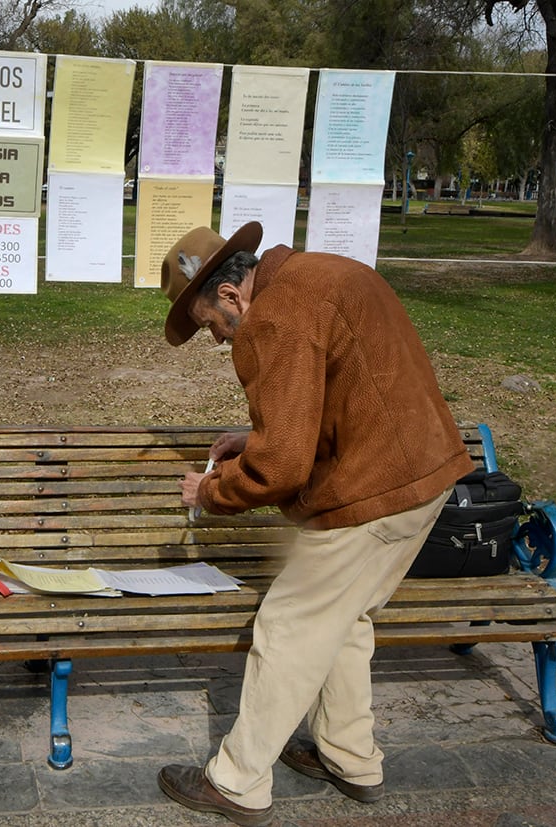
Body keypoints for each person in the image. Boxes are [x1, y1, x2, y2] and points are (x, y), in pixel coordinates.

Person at [155, 221, 474, 826]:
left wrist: (211, 490)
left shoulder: (275, 315)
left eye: (211, 328)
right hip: (423, 476)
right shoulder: (320, 273)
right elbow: (346, 386)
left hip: (371, 491)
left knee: (288, 625)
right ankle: (350, 759)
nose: (221, 342)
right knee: (345, 620)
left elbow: (280, 467)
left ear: (229, 296)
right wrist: (256, 434)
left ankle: (238, 782)